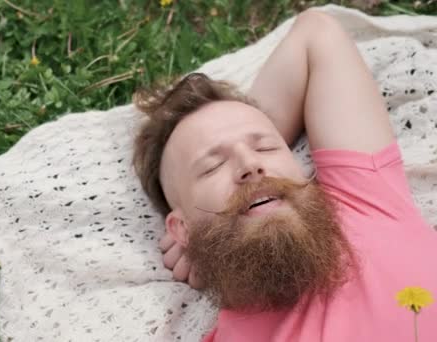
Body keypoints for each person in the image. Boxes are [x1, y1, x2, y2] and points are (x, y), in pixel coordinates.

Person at [132, 9, 437, 342]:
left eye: (266, 147)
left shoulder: (364, 199)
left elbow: (316, 34)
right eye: (213, 166)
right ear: (181, 230)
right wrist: (210, 242)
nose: (251, 164)